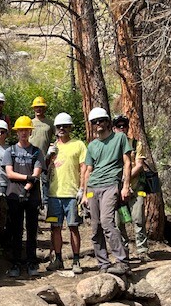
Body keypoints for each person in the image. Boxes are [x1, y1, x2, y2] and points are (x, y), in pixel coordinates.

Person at [81, 107, 132, 275]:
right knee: (95, 227)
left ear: (108, 122)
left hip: (111, 184)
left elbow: (127, 162)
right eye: (95, 122)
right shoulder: (93, 145)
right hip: (93, 188)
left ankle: (122, 261)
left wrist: (125, 186)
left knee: (107, 222)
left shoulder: (120, 138)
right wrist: (84, 193)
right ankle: (103, 264)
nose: (98, 124)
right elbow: (88, 170)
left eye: (101, 121)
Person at [45, 112, 87, 275]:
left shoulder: (78, 145)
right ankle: (58, 259)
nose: (62, 128)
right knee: (55, 227)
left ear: (70, 127)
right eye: (59, 126)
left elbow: (84, 168)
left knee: (73, 227)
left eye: (65, 126)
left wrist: (83, 189)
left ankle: (76, 260)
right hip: (54, 195)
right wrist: (49, 156)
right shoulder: (53, 146)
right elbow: (46, 169)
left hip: (71, 194)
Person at [3, 116, 43, 277]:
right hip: (13, 196)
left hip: (31, 196)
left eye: (26, 130)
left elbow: (37, 173)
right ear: (17, 132)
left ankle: (32, 262)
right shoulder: (10, 151)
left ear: (30, 132)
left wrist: (27, 188)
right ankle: (15, 263)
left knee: (32, 230)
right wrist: (27, 179)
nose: (23, 133)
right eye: (20, 130)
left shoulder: (36, 151)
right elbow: (9, 173)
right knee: (16, 230)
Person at [113, 115, 150, 262]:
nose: (122, 128)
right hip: (116, 190)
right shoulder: (111, 145)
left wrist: (126, 178)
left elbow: (139, 165)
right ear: (114, 128)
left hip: (136, 188)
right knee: (118, 222)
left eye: (124, 126)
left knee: (138, 219)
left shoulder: (136, 144)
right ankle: (124, 251)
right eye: (119, 126)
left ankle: (142, 250)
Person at [30, 96, 55, 207]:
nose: (38, 109)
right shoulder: (30, 122)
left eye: (41, 107)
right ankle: (34, 203)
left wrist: (53, 148)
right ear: (33, 109)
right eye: (36, 107)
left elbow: (59, 137)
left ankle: (45, 204)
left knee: (45, 181)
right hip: (30, 157)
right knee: (32, 180)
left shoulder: (50, 123)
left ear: (44, 108)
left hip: (45, 157)